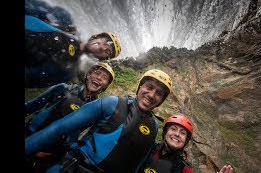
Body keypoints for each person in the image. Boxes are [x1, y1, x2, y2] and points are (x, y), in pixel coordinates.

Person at [25, 69, 173, 173]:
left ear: (161, 101)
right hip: (73, 168)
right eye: (149, 87)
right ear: (140, 87)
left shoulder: (153, 127)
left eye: (159, 93)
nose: (152, 94)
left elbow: (137, 165)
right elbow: (59, 128)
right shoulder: (111, 103)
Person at [25, 61, 115, 172]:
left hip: (51, 158)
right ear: (88, 75)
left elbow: (88, 139)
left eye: (104, 77)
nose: (99, 78)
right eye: (97, 73)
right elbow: (30, 107)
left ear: (105, 86)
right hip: (28, 137)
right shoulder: (63, 89)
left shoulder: (98, 111)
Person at [25, 0, 121, 88]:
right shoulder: (65, 19)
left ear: (101, 58)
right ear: (97, 36)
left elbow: (30, 78)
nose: (103, 47)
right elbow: (31, 6)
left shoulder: (69, 71)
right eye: (106, 41)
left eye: (107, 51)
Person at [138, 114, 234, 173]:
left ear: (186, 141)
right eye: (173, 129)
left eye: (183, 133)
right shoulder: (147, 149)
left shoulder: (184, 170)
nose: (177, 134)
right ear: (165, 132)